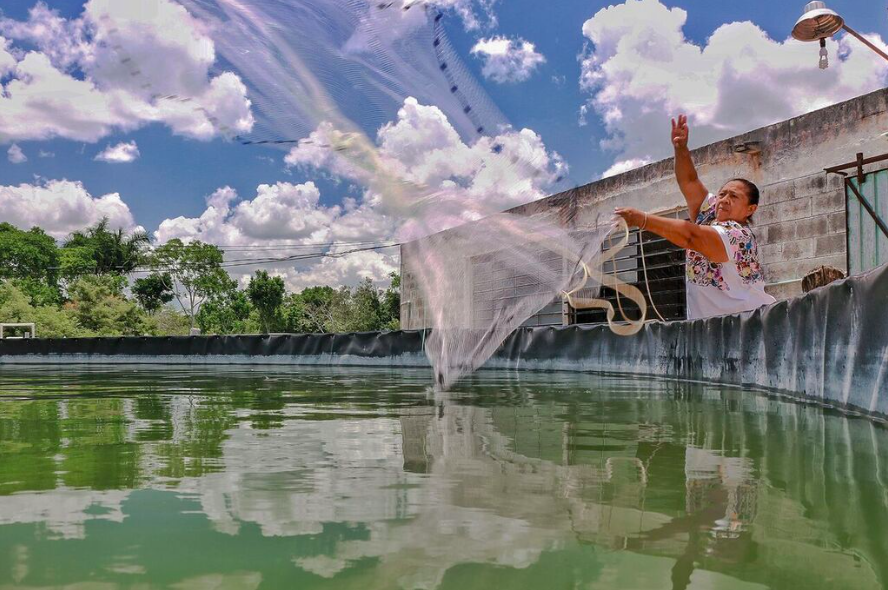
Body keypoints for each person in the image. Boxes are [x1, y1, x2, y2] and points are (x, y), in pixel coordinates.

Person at [614, 115, 776, 320]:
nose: (724, 200)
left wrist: (643, 220)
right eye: (722, 194)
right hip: (711, 328)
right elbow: (690, 181)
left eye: (734, 197)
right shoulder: (711, 213)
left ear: (750, 209)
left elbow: (691, 236)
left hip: (747, 327)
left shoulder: (739, 236)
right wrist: (681, 149)